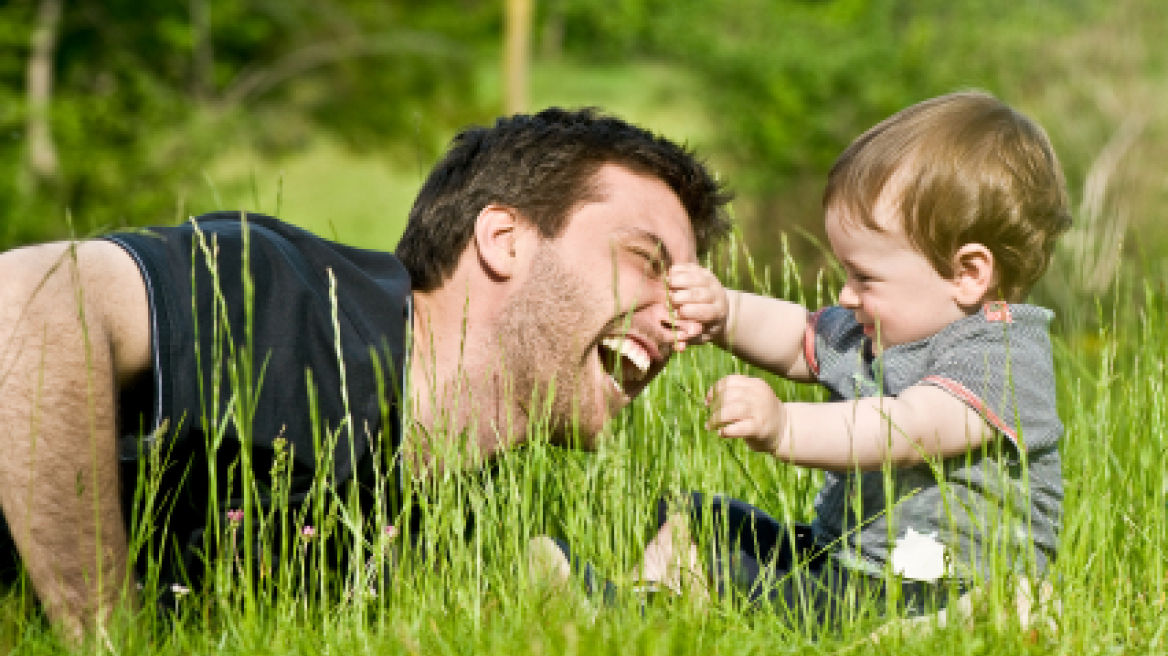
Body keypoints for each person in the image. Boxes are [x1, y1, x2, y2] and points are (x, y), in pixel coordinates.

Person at [0, 107, 732, 639]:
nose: (688, 320)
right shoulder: (295, 303)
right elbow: (26, 300)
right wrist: (107, 635)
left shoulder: (466, 517)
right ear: (505, 240)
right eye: (649, 262)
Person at [651, 91, 1070, 624]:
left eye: (865, 277)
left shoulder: (1003, 359)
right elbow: (797, 334)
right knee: (697, 515)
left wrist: (784, 427)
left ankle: (640, 601)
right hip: (846, 558)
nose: (846, 295)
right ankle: (645, 601)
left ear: (968, 274)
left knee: (748, 579)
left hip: (932, 583)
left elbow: (907, 427)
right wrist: (723, 312)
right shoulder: (884, 328)